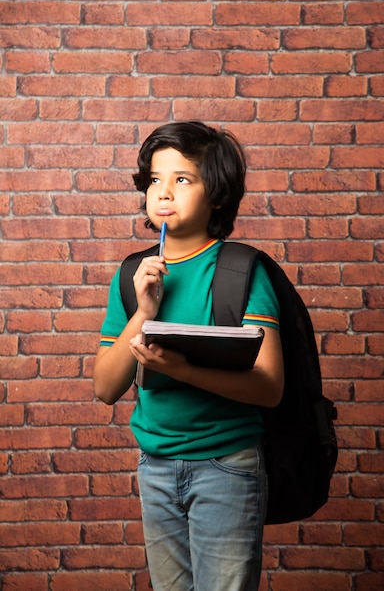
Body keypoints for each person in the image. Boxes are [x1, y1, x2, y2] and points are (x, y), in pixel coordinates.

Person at [93, 121, 285, 591]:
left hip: (226, 467)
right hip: (154, 466)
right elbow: (105, 388)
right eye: (155, 180)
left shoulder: (241, 271)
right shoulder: (132, 274)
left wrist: (182, 369)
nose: (164, 192)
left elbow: (270, 387)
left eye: (183, 179)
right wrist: (144, 311)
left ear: (216, 194)